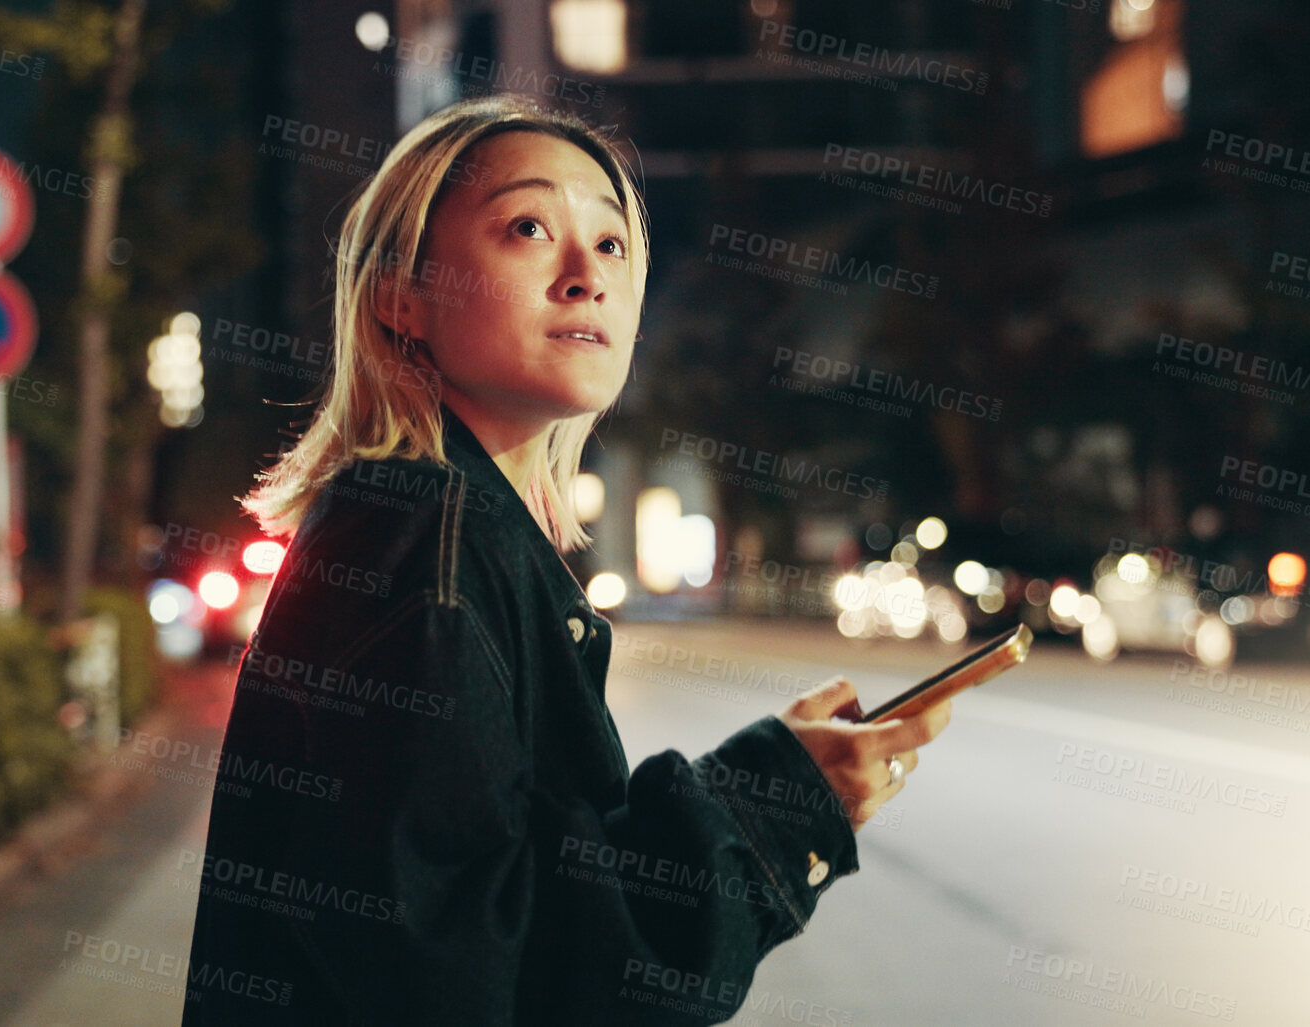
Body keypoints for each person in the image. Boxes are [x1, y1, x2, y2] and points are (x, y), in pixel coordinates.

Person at [180, 94, 951, 1026]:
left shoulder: (440, 524)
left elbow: (508, 896)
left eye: (616, 244)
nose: (586, 275)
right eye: (528, 227)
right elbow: (480, 974)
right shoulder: (422, 545)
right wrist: (775, 812)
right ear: (399, 294)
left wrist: (762, 786)